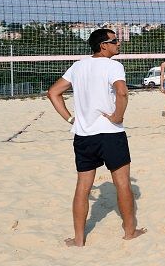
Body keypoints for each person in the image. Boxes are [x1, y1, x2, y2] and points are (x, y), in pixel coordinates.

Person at [46, 28, 145, 248]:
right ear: (103, 45)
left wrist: (71, 120)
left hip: (84, 135)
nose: (118, 44)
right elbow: (122, 92)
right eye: (115, 41)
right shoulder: (113, 65)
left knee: (83, 187)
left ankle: (79, 239)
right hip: (111, 133)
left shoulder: (78, 65)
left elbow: (53, 92)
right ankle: (130, 231)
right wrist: (118, 116)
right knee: (123, 184)